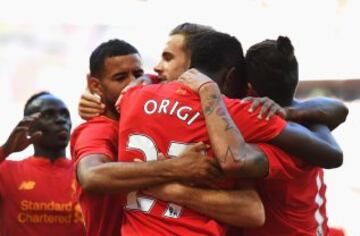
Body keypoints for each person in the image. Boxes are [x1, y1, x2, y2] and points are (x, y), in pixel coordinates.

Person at [115, 28, 343, 235]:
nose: (156, 68)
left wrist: (168, 188)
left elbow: (239, 170)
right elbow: (334, 112)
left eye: (168, 57)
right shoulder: (243, 115)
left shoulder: (133, 98)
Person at [71, 39, 266, 236]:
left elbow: (253, 211)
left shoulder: (210, 120)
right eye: (121, 77)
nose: (132, 83)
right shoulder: (98, 129)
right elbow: (92, 176)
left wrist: (172, 190)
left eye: (138, 74)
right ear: (95, 85)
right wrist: (175, 167)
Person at [235, 36, 348, 236]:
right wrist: (291, 113)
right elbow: (339, 108)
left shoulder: (270, 123)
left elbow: (335, 154)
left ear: (249, 87)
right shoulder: (310, 116)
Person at [0, 92, 85, 236]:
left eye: (65, 115)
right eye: (48, 115)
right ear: (28, 126)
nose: (60, 120)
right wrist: (5, 150)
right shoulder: (6, 171)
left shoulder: (86, 173)